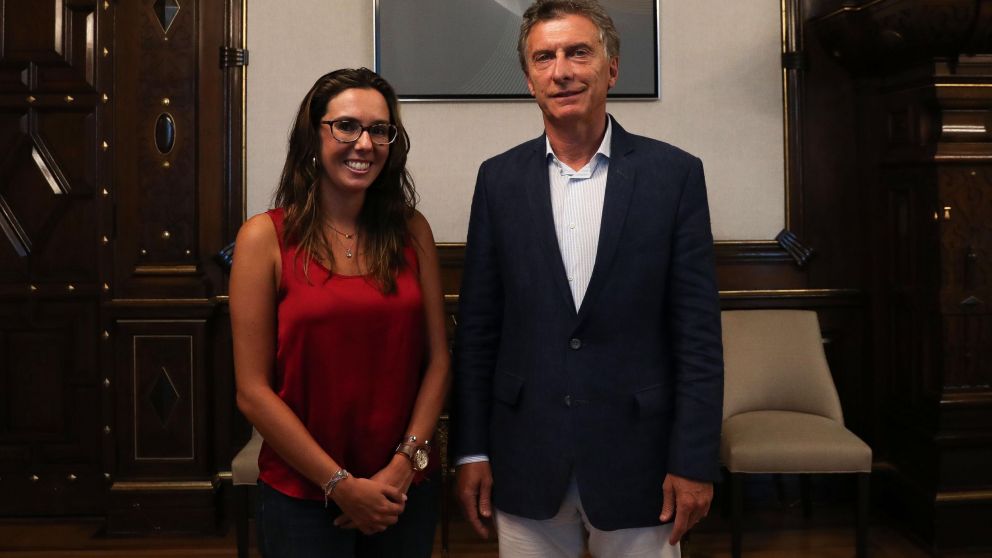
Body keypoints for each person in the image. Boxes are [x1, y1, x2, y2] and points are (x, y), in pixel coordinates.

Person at [454, 1, 724, 556]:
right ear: (529, 78)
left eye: (579, 52)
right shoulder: (497, 180)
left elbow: (698, 337)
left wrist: (694, 460)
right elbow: (479, 330)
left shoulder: (673, 176)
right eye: (544, 57)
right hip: (525, 456)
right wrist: (470, 450)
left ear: (612, 68)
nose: (563, 70)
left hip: (640, 462)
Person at [230, 68, 450, 558]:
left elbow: (438, 361)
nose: (364, 143)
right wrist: (341, 484)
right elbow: (252, 391)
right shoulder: (263, 238)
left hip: (403, 490)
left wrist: (404, 465)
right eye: (346, 126)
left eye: (379, 129)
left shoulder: (412, 231)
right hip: (301, 493)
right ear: (314, 136)